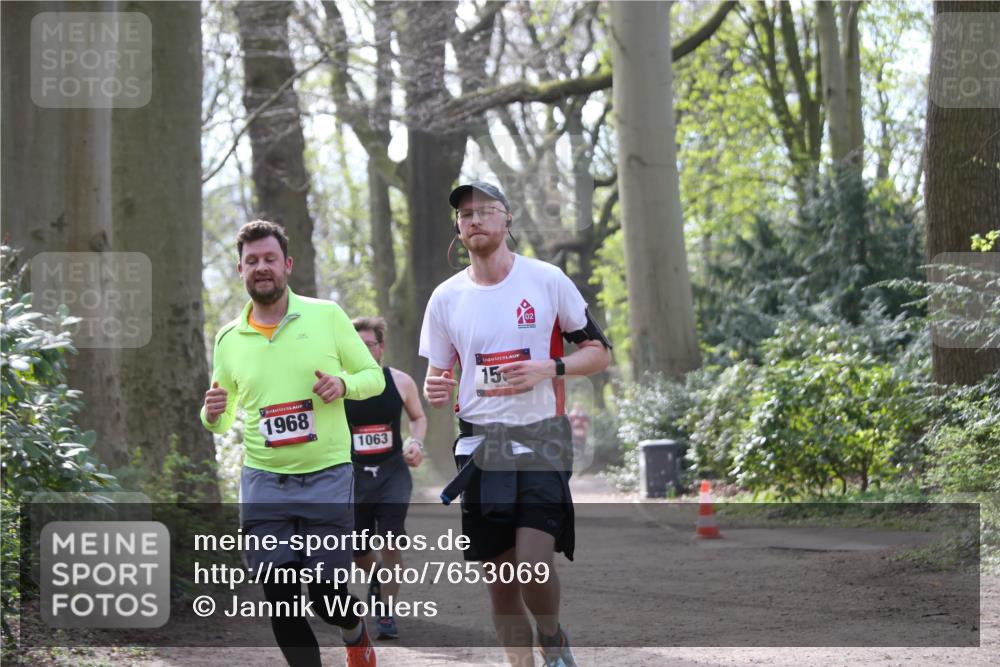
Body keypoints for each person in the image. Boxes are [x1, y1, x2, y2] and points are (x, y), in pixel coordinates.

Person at [419, 181, 612, 667]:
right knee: (502, 585)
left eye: (485, 211)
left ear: (508, 220)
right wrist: (435, 389)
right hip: (482, 448)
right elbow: (437, 375)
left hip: (541, 438)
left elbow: (599, 352)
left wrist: (550, 367)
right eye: (465, 215)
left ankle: (552, 637)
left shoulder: (545, 280)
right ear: (458, 230)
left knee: (531, 563)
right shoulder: (445, 298)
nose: (474, 220)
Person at [201, 220, 384, 667]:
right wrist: (211, 413)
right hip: (264, 480)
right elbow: (222, 417)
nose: (261, 268)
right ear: (240, 270)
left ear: (287, 265)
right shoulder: (229, 338)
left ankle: (353, 631)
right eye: (251, 261)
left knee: (325, 594)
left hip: (326, 475)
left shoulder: (326, 315)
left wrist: (342, 385)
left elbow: (373, 378)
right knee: (279, 596)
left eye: (269, 259)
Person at [344, 316, 427, 640]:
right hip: (354, 475)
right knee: (356, 550)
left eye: (370, 345)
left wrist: (415, 442)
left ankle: (386, 613)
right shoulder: (339, 385)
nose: (364, 350)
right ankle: (379, 577)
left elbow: (418, 418)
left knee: (391, 540)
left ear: (381, 347)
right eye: (357, 346)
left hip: (393, 472)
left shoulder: (401, 381)